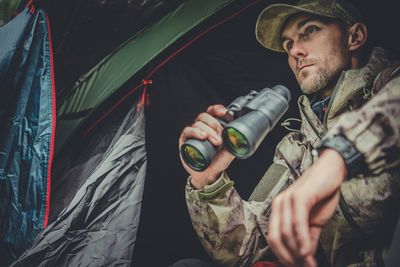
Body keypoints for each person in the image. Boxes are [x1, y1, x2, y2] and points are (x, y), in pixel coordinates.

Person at [178, 0, 400, 266]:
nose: (296, 50)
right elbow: (250, 248)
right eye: (288, 44)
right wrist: (209, 182)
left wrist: (339, 156)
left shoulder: (388, 86)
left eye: (309, 31)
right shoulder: (296, 146)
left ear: (354, 36)